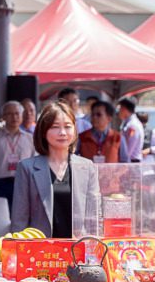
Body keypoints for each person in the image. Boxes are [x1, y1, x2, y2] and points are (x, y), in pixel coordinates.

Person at [9, 102, 100, 240]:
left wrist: (94, 248)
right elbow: (19, 220)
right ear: (43, 131)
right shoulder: (27, 168)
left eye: (68, 127)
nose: (62, 133)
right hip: (40, 252)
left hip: (78, 250)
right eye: (55, 127)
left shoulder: (87, 167)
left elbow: (94, 216)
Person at [0, 100, 34, 204]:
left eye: (17, 113)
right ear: (3, 117)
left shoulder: (30, 139)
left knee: (22, 219)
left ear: (21, 115)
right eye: (10, 114)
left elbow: (34, 166)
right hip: (1, 185)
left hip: (24, 183)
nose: (14, 117)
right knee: (3, 219)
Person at [116, 98, 144, 163]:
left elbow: (128, 149)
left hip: (131, 162)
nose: (118, 111)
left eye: (120, 108)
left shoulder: (132, 125)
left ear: (124, 109)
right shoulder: (127, 123)